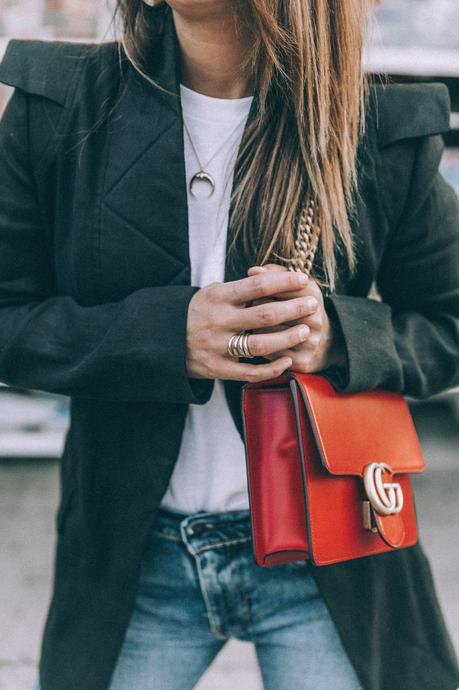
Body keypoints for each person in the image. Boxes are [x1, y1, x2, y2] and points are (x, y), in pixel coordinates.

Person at [0, 1, 458, 688]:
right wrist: (163, 337)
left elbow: (446, 325)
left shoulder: (374, 124)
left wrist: (338, 336)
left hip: (333, 546)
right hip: (131, 558)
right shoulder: (58, 104)